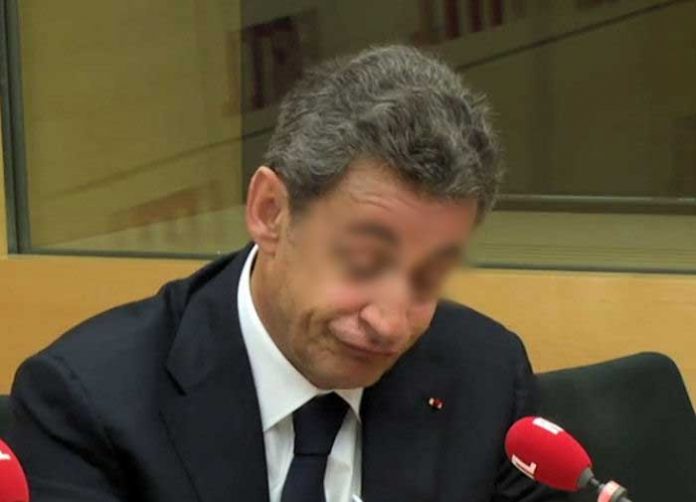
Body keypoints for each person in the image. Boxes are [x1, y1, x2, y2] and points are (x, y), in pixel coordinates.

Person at [7, 45, 566, 501]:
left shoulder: (486, 377)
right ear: (270, 211)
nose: (390, 323)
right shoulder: (88, 403)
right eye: (365, 261)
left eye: (429, 276)